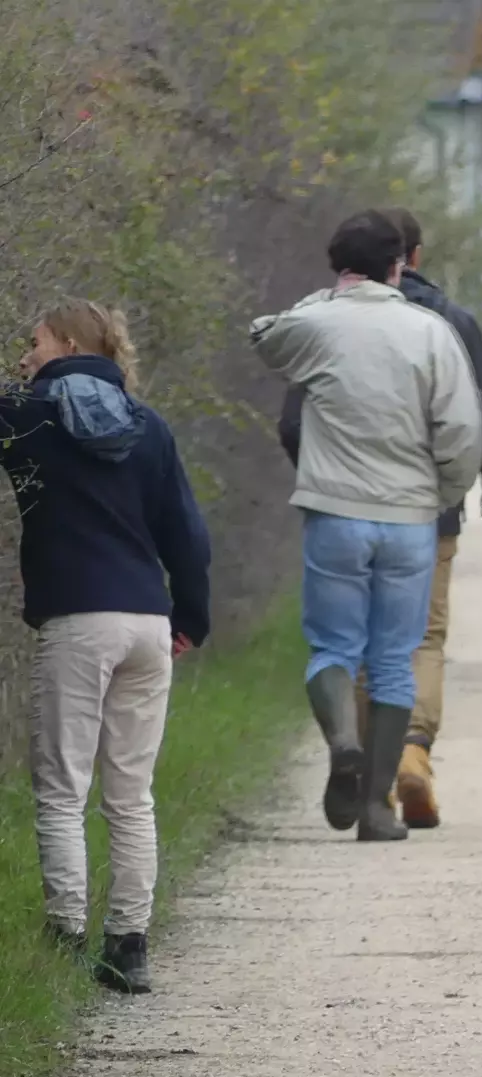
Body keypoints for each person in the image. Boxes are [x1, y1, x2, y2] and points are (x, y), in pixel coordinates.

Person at [253, 209, 482, 845]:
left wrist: (324, 298)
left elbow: (265, 336)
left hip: (335, 512)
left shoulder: (315, 324)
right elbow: (462, 428)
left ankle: (342, 744)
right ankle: (378, 810)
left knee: (333, 649)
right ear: (400, 266)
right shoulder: (430, 331)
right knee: (393, 660)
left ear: (337, 267)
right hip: (409, 518)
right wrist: (444, 492)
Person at [5, 299, 210, 994]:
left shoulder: (28, 416)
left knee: (63, 788)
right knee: (131, 794)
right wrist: (191, 618)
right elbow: (187, 534)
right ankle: (129, 945)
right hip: (148, 621)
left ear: (67, 343)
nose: (25, 356)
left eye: (35, 342)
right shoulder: (148, 426)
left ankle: (65, 938)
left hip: (78, 620)